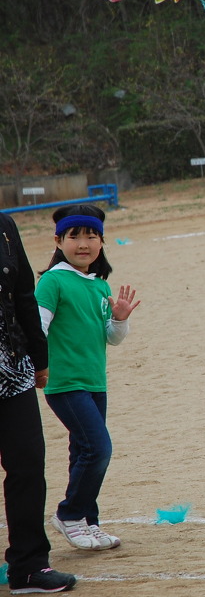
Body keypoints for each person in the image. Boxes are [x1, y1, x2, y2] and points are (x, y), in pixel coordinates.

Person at [36, 204, 140, 552]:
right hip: (65, 383)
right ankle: (69, 514)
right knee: (98, 449)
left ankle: (88, 522)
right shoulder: (53, 281)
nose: (83, 244)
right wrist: (38, 366)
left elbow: (111, 338)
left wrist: (120, 318)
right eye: (75, 236)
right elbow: (38, 329)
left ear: (102, 241)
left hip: (95, 383)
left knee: (82, 450)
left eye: (91, 236)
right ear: (58, 241)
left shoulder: (99, 285)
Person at [0, 212, 78, 593]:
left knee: (28, 463)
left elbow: (24, 293)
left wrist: (39, 357)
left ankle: (29, 567)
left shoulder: (4, 226)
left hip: (11, 368)